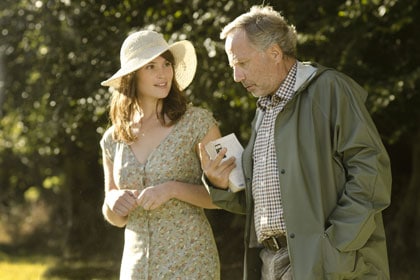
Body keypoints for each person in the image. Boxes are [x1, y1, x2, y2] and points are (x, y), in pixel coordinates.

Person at [199, 5, 392, 280]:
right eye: (233, 66)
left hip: (325, 261)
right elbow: (267, 198)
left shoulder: (329, 89)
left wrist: (333, 245)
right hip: (269, 262)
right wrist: (222, 186)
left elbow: (371, 173)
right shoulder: (264, 109)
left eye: (241, 63)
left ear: (275, 53)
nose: (236, 77)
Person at [100, 30, 221, 280]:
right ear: (132, 76)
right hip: (136, 265)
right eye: (151, 66)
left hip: (191, 261)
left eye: (167, 64)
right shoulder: (113, 138)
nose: (163, 73)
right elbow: (115, 217)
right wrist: (113, 201)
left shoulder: (197, 122)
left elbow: (224, 196)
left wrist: (172, 189)